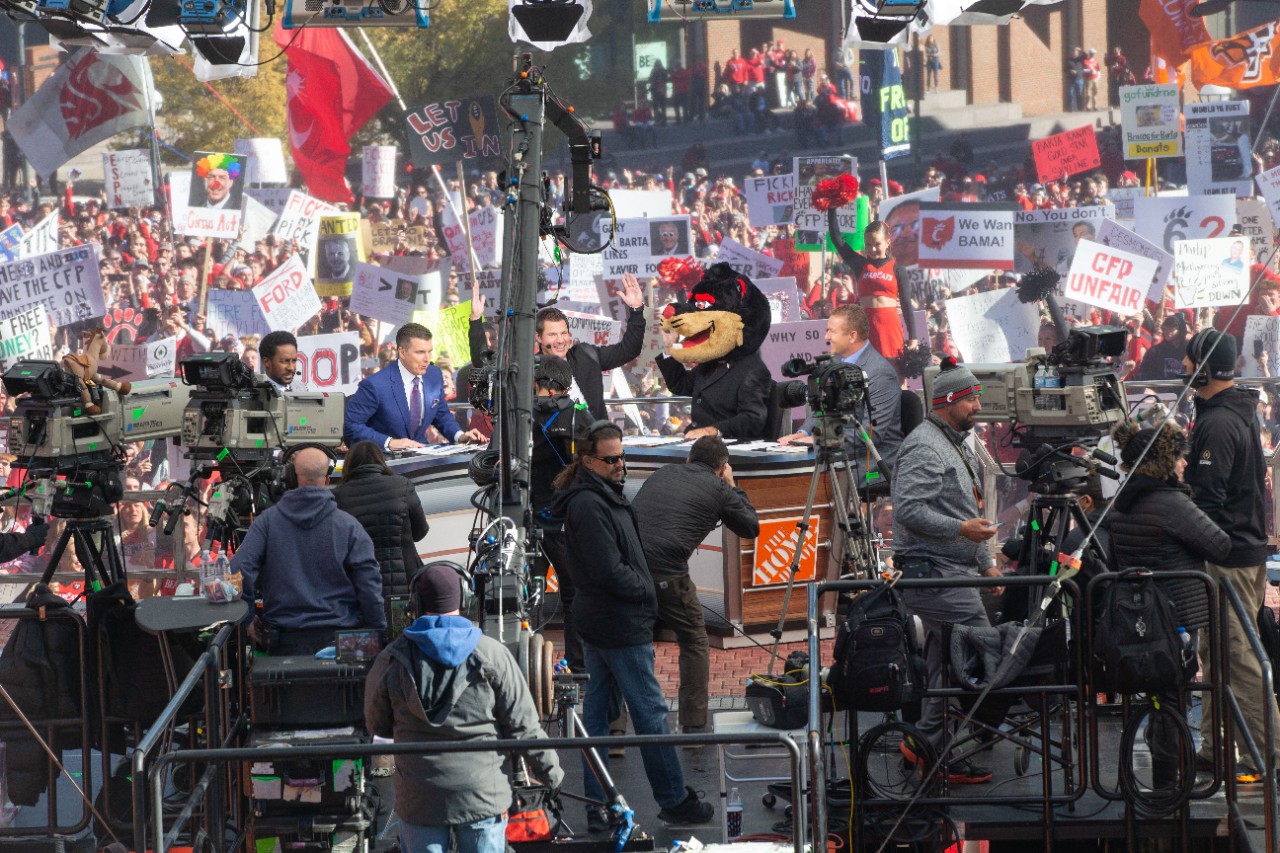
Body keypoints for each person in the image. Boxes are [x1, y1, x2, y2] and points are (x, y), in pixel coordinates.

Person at [548, 421, 715, 830]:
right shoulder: (589, 504)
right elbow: (608, 569)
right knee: (650, 712)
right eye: (611, 459)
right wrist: (645, 591)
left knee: (601, 716)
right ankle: (673, 800)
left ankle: (599, 805)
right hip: (617, 622)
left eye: (622, 456)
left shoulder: (598, 496)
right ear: (589, 461)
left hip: (608, 620)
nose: (621, 464)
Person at [364, 563, 563, 853]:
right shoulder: (492, 653)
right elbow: (524, 728)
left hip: (420, 801)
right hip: (482, 797)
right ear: (465, 599)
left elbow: (377, 724)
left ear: (414, 605)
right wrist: (552, 776)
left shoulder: (391, 659)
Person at [891, 359, 1000, 784]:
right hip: (935, 575)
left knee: (947, 666)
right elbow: (910, 510)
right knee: (979, 649)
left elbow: (962, 506)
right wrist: (961, 530)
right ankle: (938, 751)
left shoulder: (954, 440)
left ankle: (926, 746)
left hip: (952, 571)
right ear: (949, 401)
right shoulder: (924, 445)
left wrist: (987, 563)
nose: (978, 406)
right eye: (972, 399)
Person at [1181, 329, 1280, 783]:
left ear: (1204, 366)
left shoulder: (1218, 424)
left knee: (1237, 657)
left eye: (1188, 360)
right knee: (1215, 651)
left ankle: (1262, 756)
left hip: (1229, 557)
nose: (1182, 367)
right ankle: (1214, 748)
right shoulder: (1225, 415)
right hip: (1237, 554)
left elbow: (1209, 502)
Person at [1108, 418, 1228, 790]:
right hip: (1176, 614)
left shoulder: (1123, 502)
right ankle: (1169, 783)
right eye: (1178, 457)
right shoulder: (1171, 503)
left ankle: (1163, 778)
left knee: (1159, 696)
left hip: (1139, 615)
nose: (1184, 464)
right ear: (1161, 463)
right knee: (1174, 696)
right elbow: (1219, 544)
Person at [632, 436, 758, 738]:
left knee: (630, 642)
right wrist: (732, 484)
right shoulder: (719, 487)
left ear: (689, 459)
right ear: (721, 468)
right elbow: (750, 526)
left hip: (629, 568)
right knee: (694, 640)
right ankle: (693, 724)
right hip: (668, 574)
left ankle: (615, 732)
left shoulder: (663, 472)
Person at [231, 446, 386, 655]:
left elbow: (237, 571)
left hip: (284, 644)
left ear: (290, 479)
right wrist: (377, 633)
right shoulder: (350, 527)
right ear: (327, 480)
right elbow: (369, 586)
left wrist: (248, 617)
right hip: (342, 644)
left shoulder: (266, 523)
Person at [472, 273, 645, 421]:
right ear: (538, 337)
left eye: (564, 333)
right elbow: (484, 366)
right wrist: (476, 320)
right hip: (552, 449)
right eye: (553, 335)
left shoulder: (585, 355)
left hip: (593, 445)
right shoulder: (530, 367)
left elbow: (629, 350)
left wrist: (636, 310)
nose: (560, 340)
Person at [778, 305, 905, 484]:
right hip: (842, 457)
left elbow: (871, 434)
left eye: (832, 331)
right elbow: (821, 408)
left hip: (875, 470)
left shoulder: (880, 373)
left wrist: (817, 438)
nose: (826, 337)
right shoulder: (835, 363)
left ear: (852, 336)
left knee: (819, 481)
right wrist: (803, 433)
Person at [344, 323, 487, 449]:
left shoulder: (434, 375)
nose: (427, 358)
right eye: (420, 352)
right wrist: (389, 442)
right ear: (402, 352)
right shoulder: (375, 385)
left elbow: (440, 413)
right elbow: (351, 425)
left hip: (422, 459)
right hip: (385, 463)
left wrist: (459, 436)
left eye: (429, 352)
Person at [334, 440, 429, 603]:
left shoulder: (338, 496)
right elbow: (421, 531)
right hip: (407, 580)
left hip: (361, 584)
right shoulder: (402, 485)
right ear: (381, 460)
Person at [1134, 313, 1191, 381]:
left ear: (1181, 330)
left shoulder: (1191, 350)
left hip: (1185, 388)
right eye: (1165, 328)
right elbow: (1144, 374)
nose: (1167, 331)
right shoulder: (1155, 351)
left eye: (1171, 328)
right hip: (1161, 389)